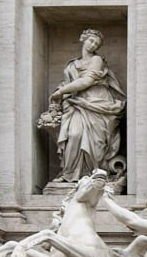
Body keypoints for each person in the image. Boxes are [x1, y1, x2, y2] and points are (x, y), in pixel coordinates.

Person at [49, 29, 125, 182]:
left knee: (95, 142)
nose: (93, 45)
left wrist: (62, 91)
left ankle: (93, 174)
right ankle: (69, 174)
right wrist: (61, 92)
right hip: (77, 103)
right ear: (83, 39)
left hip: (97, 102)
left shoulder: (97, 60)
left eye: (96, 43)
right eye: (91, 41)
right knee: (74, 135)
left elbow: (87, 81)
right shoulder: (72, 64)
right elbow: (70, 83)